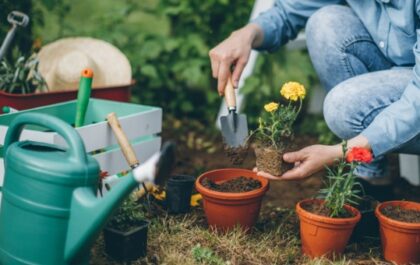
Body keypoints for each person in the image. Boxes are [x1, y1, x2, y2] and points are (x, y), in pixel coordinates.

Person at [209, 0, 420, 196]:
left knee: (343, 106)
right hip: (401, 66)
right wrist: (247, 34)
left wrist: (341, 152)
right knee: (325, 23)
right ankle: (370, 178)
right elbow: (290, 11)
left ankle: (363, 163)